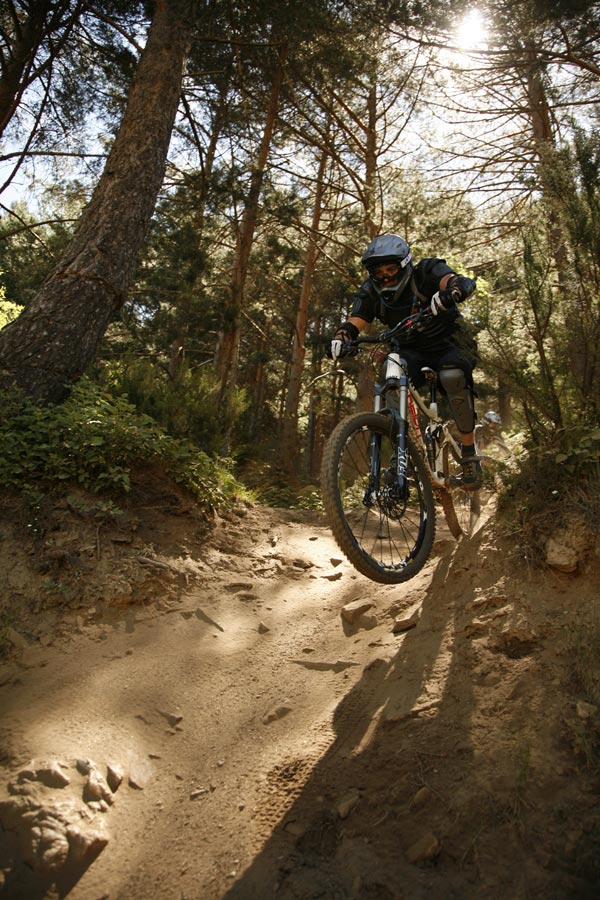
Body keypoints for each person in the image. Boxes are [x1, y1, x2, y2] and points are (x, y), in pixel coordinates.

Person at [329, 233, 481, 489]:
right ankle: (403, 456)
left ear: (404, 264)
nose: (386, 276)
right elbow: (356, 320)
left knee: (452, 376)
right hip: (410, 350)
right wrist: (342, 336)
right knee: (391, 377)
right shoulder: (370, 291)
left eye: (391, 269)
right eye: (379, 271)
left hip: (451, 343)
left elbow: (451, 280)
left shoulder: (427, 271)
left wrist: (454, 290)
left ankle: (468, 453)